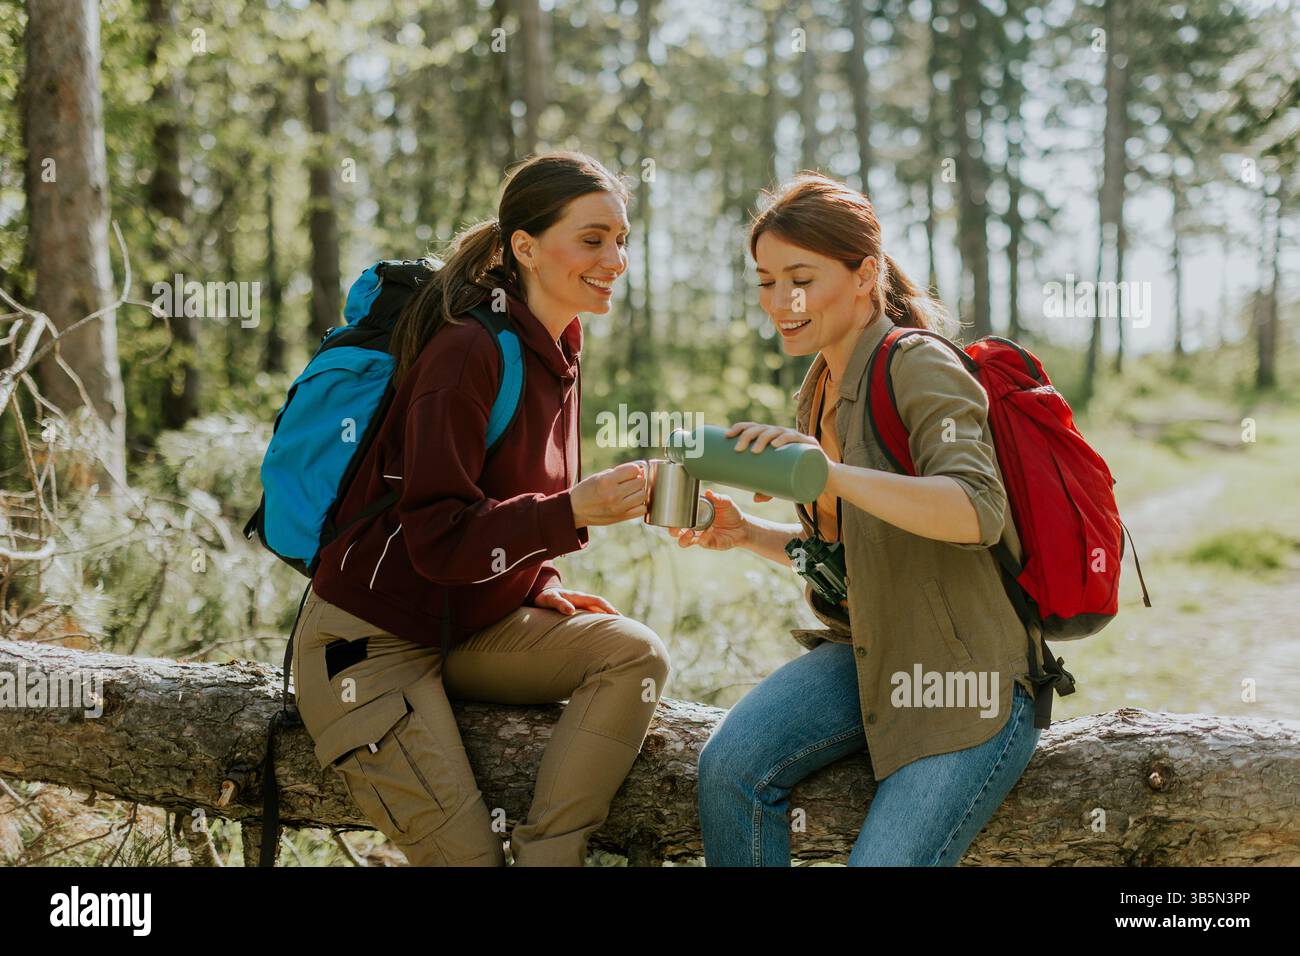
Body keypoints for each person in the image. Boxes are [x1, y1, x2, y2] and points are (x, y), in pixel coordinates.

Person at [293, 151, 669, 866]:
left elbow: (497, 501)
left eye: (622, 239)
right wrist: (571, 512)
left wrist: (539, 583)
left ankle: (547, 857)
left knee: (634, 655)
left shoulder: (560, 348)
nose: (616, 259)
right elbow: (436, 535)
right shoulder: (468, 350)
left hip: (465, 626)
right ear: (524, 246)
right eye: (592, 239)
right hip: (367, 645)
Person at [672, 172, 1043, 866]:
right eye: (766, 280)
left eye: (801, 278)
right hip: (868, 652)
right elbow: (857, 561)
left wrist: (828, 473)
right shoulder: (819, 390)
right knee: (729, 770)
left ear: (865, 273)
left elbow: (976, 509)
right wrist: (747, 534)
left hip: (968, 685)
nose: (781, 301)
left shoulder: (918, 364)